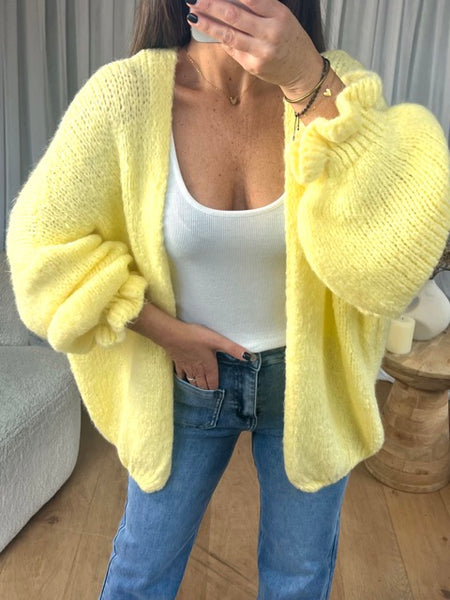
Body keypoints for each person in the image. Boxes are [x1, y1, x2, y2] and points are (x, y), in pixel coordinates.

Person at [5, 0, 449, 598]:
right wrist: (166, 331)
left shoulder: (333, 87)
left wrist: (306, 81)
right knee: (141, 574)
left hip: (310, 382)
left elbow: (397, 260)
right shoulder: (126, 97)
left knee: (299, 579)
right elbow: (40, 248)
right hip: (189, 381)